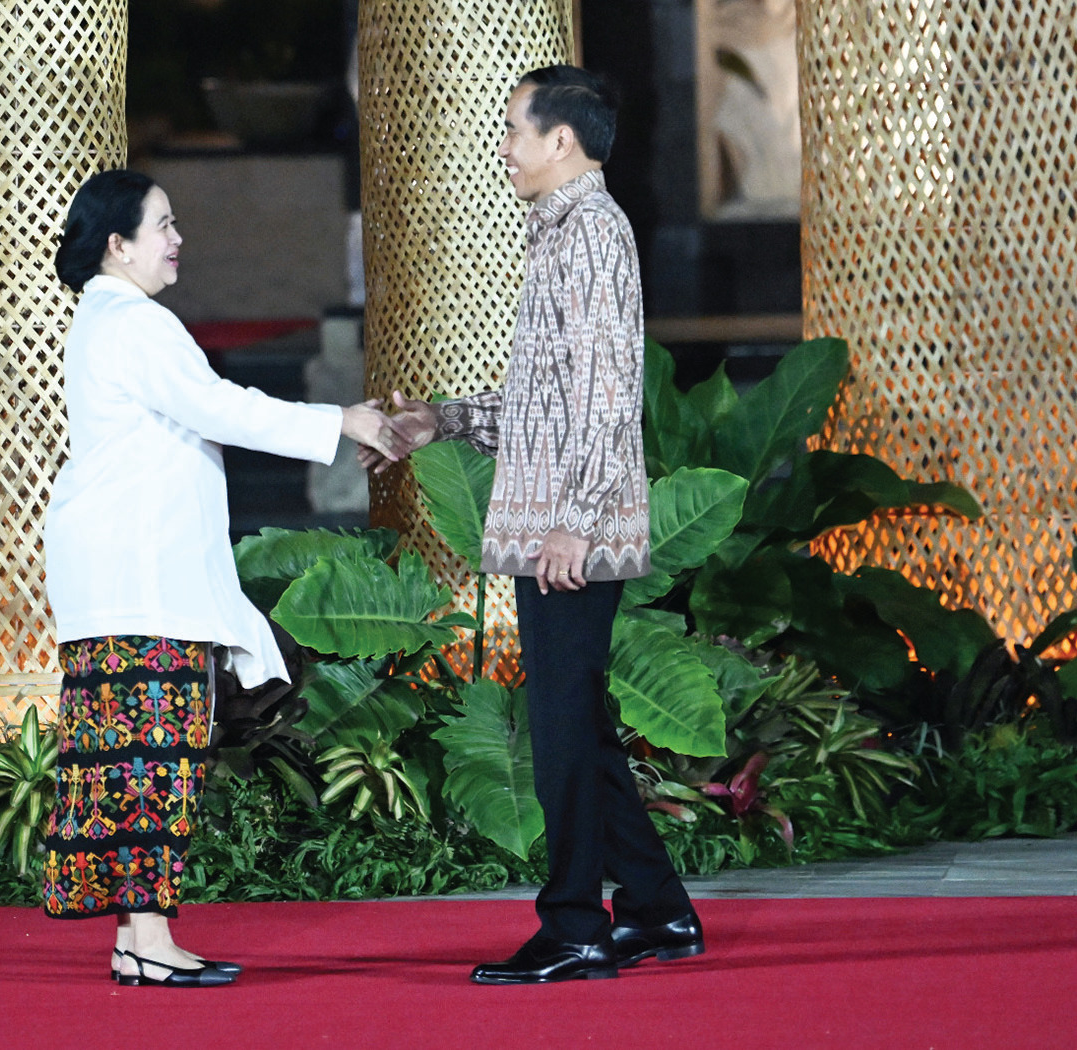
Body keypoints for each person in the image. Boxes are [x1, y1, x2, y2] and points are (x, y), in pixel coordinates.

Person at [363, 65, 705, 984]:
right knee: (577, 725)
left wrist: (576, 523)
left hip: (567, 529)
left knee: (557, 729)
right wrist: (442, 419)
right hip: (555, 517)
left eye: (515, 129)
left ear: (562, 141)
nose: (504, 146)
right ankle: (656, 914)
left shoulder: (590, 231)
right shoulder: (561, 232)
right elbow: (543, 402)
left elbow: (604, 394)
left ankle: (575, 930)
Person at [40, 169, 403, 987]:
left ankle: (145, 937)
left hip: (131, 576)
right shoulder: (134, 323)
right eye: (162, 225)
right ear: (117, 243)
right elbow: (223, 408)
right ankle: (145, 939)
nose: (176, 239)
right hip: (138, 580)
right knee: (151, 756)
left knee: (142, 756)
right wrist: (340, 419)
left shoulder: (112, 317)